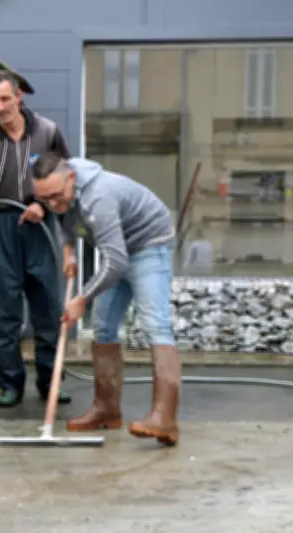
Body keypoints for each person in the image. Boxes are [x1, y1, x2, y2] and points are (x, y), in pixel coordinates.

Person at [31, 152, 182, 446]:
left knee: (156, 325)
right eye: (44, 199)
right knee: (102, 327)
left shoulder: (98, 198)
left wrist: (82, 298)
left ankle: (165, 418)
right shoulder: (63, 193)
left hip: (150, 244)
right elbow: (64, 219)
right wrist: (68, 252)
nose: (52, 204)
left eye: (56, 195)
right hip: (121, 249)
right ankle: (107, 409)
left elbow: (116, 263)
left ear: (71, 178)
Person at [0, 70, 73, 408]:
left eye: (6, 98)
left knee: (48, 310)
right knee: (3, 313)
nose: (0, 107)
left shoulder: (48, 132)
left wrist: (43, 204)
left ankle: (51, 382)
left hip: (40, 227)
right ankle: (11, 385)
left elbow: (67, 175)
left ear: (19, 96)